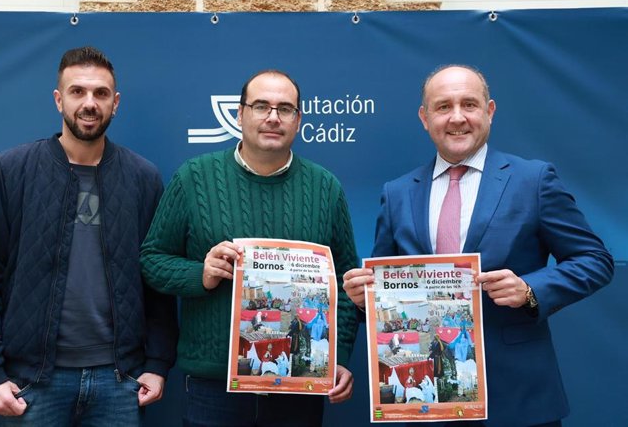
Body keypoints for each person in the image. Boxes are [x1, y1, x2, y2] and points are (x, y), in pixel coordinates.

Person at [343, 64, 614, 426]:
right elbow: (383, 285)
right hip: (425, 394)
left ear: (489, 111)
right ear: (425, 118)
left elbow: (595, 260)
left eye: (469, 104)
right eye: (443, 107)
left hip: (517, 398)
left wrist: (531, 289)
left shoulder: (533, 180)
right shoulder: (397, 193)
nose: (457, 118)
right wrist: (365, 299)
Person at [0, 46, 178, 425]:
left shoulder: (143, 178)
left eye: (101, 93)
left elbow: (155, 277)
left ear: (116, 102)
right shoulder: (13, 170)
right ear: (59, 100)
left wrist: (157, 363)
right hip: (30, 383)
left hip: (119, 382)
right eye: (77, 92)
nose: (89, 103)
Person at [140, 69, 359, 427]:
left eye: (285, 108)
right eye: (261, 106)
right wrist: (201, 274)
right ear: (240, 114)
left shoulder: (326, 188)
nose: (273, 117)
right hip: (214, 389)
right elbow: (151, 260)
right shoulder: (193, 178)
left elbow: (347, 285)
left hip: (300, 385)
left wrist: (341, 356)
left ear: (298, 119)